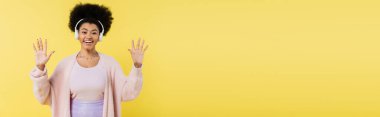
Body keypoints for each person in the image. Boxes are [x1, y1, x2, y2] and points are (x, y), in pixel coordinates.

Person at [30, 3, 148, 117]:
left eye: (94, 32)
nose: (88, 36)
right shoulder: (65, 65)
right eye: (84, 32)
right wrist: (40, 68)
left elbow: (128, 93)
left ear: (99, 36)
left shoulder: (110, 64)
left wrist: (137, 66)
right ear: (77, 35)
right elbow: (45, 96)